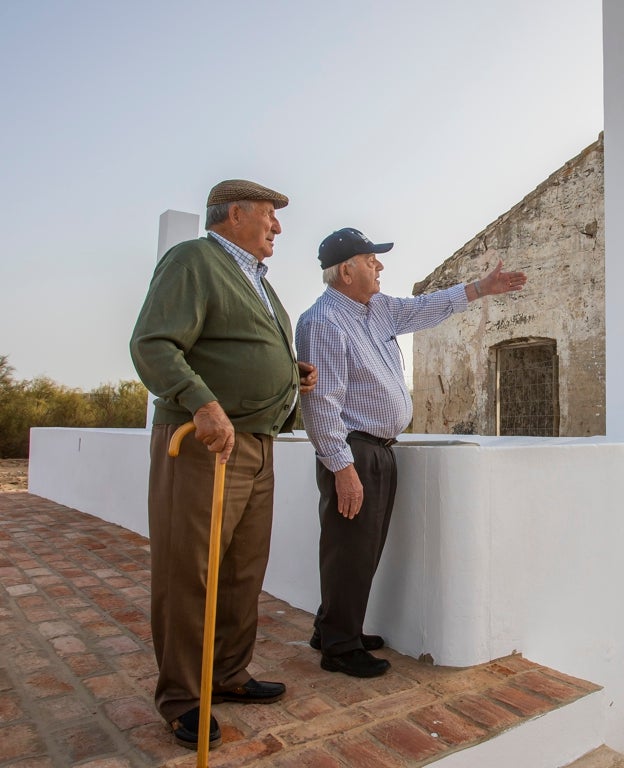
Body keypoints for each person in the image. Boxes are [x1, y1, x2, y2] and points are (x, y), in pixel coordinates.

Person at [130, 179, 318, 749]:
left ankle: (228, 675)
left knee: (242, 570)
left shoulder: (256, 280)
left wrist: (291, 373)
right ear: (235, 214)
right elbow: (154, 343)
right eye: (269, 216)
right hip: (204, 443)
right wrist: (202, 401)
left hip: (257, 443)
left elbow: (241, 347)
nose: (277, 228)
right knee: (191, 572)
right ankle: (184, 698)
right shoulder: (194, 259)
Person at [296, 227, 526, 677]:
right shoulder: (322, 322)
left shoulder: (377, 309)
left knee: (364, 548)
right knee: (349, 550)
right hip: (354, 451)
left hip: (379, 449)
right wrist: (341, 467)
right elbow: (320, 403)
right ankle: (339, 649)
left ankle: (333, 627)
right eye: (370, 259)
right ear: (346, 271)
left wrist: (479, 289)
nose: (379, 266)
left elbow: (423, 309)